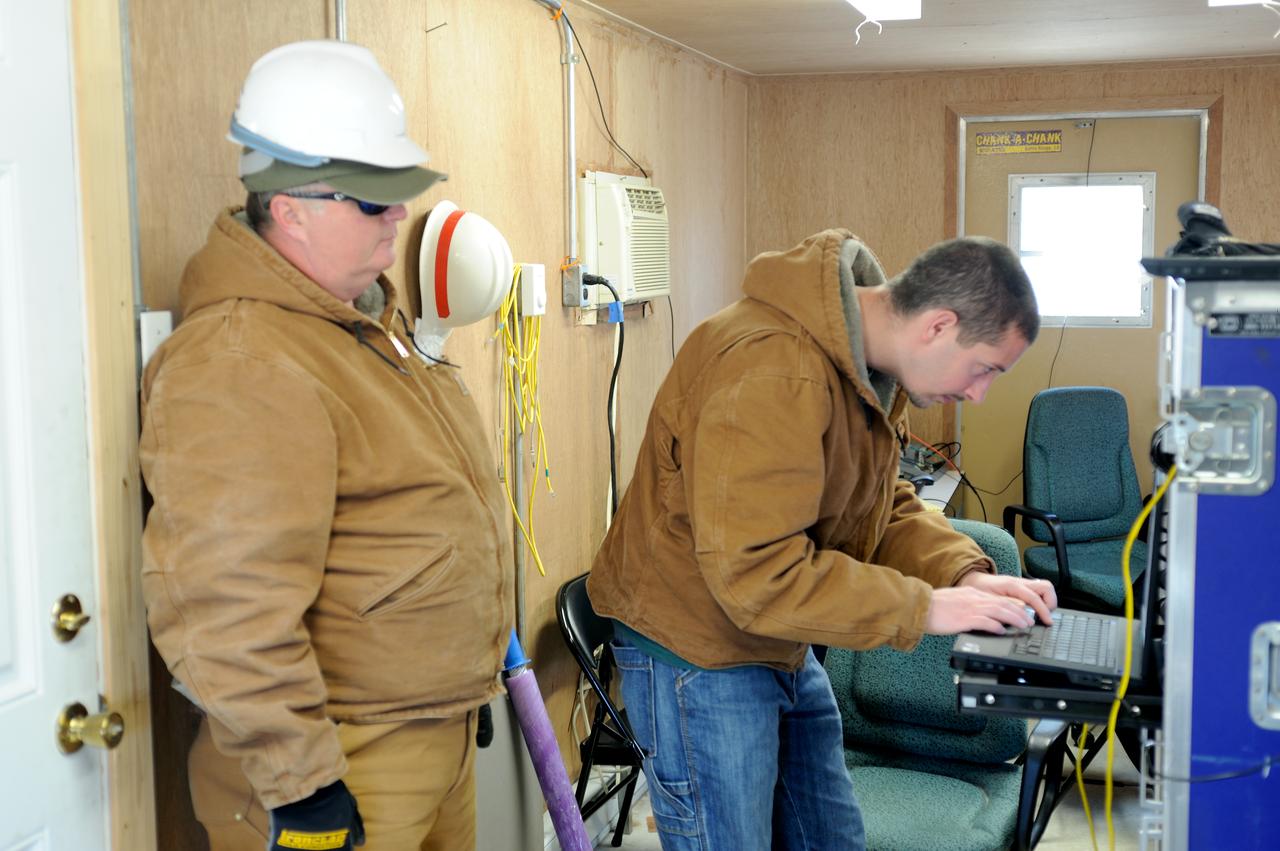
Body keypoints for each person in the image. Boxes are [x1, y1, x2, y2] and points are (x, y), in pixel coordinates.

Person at [139, 40, 512, 851]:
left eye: (398, 196)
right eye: (373, 202)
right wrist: (302, 790)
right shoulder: (241, 359)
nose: (399, 217)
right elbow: (224, 604)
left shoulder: (362, 329)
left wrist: (454, 685)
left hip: (421, 739)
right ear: (288, 207)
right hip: (340, 759)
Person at [587, 229, 1058, 850]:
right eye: (985, 369)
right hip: (698, 648)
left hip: (775, 636)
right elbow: (757, 574)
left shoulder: (864, 368)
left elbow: (880, 502)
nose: (979, 394)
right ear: (939, 326)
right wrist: (925, 607)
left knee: (828, 836)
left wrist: (963, 574)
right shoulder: (771, 368)